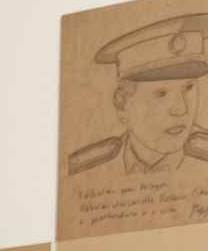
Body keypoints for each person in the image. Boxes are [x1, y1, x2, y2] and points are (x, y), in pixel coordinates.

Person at [68, 16, 208, 179]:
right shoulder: (85, 168)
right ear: (122, 105)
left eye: (188, 88)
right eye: (161, 94)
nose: (181, 109)